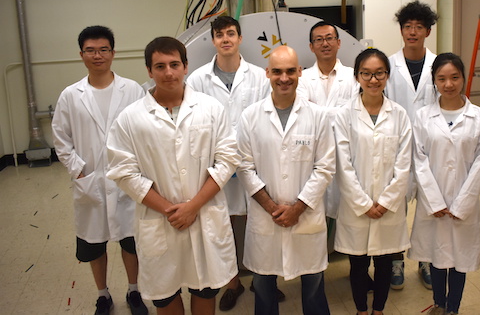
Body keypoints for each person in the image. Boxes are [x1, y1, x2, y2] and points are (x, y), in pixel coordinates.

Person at [106, 37, 240, 315]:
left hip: (203, 215)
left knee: (205, 287)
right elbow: (123, 172)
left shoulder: (210, 108)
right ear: (149, 70)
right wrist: (171, 209)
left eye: (174, 64)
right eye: (160, 66)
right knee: (165, 294)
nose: (168, 72)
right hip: (159, 219)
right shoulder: (131, 118)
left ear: (186, 66)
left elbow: (227, 160)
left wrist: (192, 207)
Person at [52, 26, 147, 315]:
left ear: (113, 53)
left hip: (126, 180)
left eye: (103, 49)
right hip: (90, 181)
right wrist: (79, 171)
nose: (98, 55)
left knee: (131, 241)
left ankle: (134, 291)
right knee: (95, 243)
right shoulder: (71, 95)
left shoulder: (132, 90)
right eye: (91, 50)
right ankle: (103, 295)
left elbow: (145, 131)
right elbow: (60, 137)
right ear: (82, 55)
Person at [236, 45, 335, 315]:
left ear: (299, 72)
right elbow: (244, 167)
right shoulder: (250, 117)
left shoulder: (318, 116)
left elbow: (325, 168)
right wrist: (272, 208)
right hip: (265, 218)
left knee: (314, 285)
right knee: (264, 287)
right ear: (267, 73)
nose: (284, 78)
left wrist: (297, 209)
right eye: (277, 71)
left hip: (306, 217)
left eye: (290, 71)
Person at [186, 16, 273, 311]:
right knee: (224, 223)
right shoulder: (197, 79)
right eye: (220, 34)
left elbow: (266, 119)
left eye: (231, 33)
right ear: (213, 40)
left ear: (239, 38)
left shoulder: (260, 76)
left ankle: (263, 282)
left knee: (258, 221)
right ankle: (232, 283)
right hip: (216, 166)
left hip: (253, 161)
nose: (225, 39)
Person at [408, 53, 480, 315]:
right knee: (436, 254)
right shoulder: (423, 116)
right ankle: (439, 304)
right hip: (432, 203)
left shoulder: (479, 118)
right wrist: (434, 201)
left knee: (459, 259)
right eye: (442, 78)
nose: (448, 84)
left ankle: (453, 308)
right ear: (434, 81)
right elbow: (418, 160)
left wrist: (462, 203)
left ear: (463, 78)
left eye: (454, 77)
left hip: (463, 204)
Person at [333, 48, 412, 315]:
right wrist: (364, 203)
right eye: (366, 73)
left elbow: (404, 164)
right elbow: (342, 164)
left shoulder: (399, 115)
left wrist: (386, 202)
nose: (373, 79)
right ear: (357, 76)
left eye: (379, 73)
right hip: (357, 207)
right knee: (357, 264)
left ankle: (378, 310)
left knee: (385, 262)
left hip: (388, 208)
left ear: (387, 75)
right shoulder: (344, 114)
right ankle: (361, 310)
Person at [385, 0, 439, 290]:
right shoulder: (389, 65)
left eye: (419, 27)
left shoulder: (438, 65)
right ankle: (396, 262)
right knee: (396, 209)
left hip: (431, 150)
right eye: (408, 26)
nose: (413, 32)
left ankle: (425, 260)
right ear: (402, 30)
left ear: (428, 31)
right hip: (398, 149)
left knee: (429, 207)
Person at [297, 20, 359, 219]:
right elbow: (303, 114)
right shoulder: (302, 79)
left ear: (339, 43)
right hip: (313, 152)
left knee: (345, 207)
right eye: (319, 40)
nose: (325, 44)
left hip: (347, 151)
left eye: (329, 38)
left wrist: (319, 111)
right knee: (315, 206)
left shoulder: (354, 77)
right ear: (311, 46)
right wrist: (337, 112)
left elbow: (354, 114)